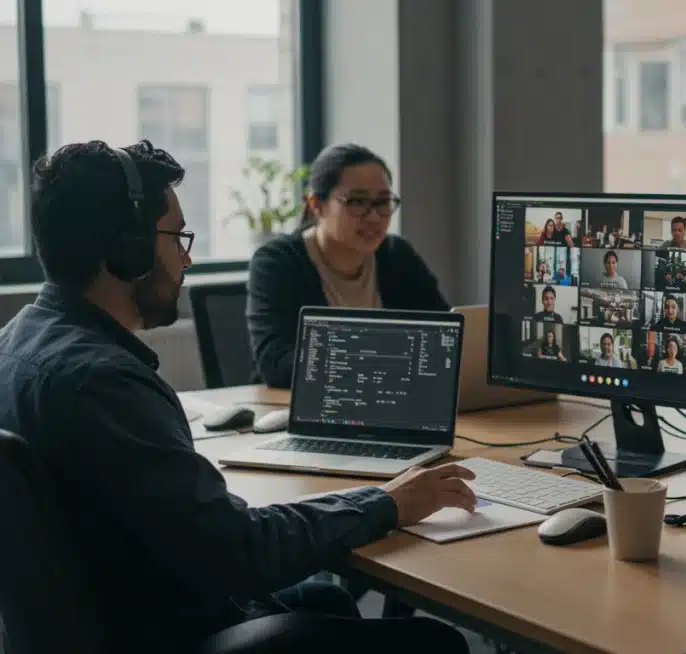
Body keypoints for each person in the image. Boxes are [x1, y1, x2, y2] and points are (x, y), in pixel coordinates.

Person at [0, 140, 474, 652]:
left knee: (328, 602)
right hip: (162, 631)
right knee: (435, 641)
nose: (186, 258)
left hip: (116, 613)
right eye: (176, 237)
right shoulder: (103, 382)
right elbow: (241, 553)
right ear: (127, 246)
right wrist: (385, 504)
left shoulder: (17, 340)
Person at [247, 143, 448, 388]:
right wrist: (386, 361)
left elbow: (444, 341)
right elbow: (276, 363)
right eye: (357, 202)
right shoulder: (277, 263)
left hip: (390, 398)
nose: (374, 216)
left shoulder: (398, 256)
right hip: (304, 407)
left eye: (383, 202)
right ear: (316, 205)